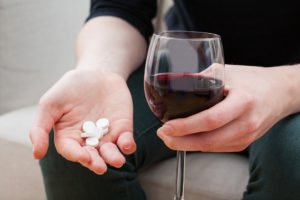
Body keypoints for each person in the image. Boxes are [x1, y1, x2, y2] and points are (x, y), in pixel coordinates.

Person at [29, 0, 300, 199]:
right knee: (81, 139)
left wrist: (284, 85)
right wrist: (98, 69)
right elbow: (120, 9)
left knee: (292, 157)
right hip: (186, 63)